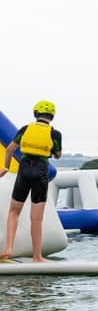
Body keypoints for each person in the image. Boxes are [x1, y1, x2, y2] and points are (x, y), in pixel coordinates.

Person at [0, 100, 62, 262]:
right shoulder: (55, 133)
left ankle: (8, 248)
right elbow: (58, 154)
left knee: (14, 212)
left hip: (24, 171)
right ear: (52, 116)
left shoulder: (26, 129)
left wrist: (5, 168)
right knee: (36, 218)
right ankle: (37, 256)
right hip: (41, 173)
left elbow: (9, 149)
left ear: (36, 114)